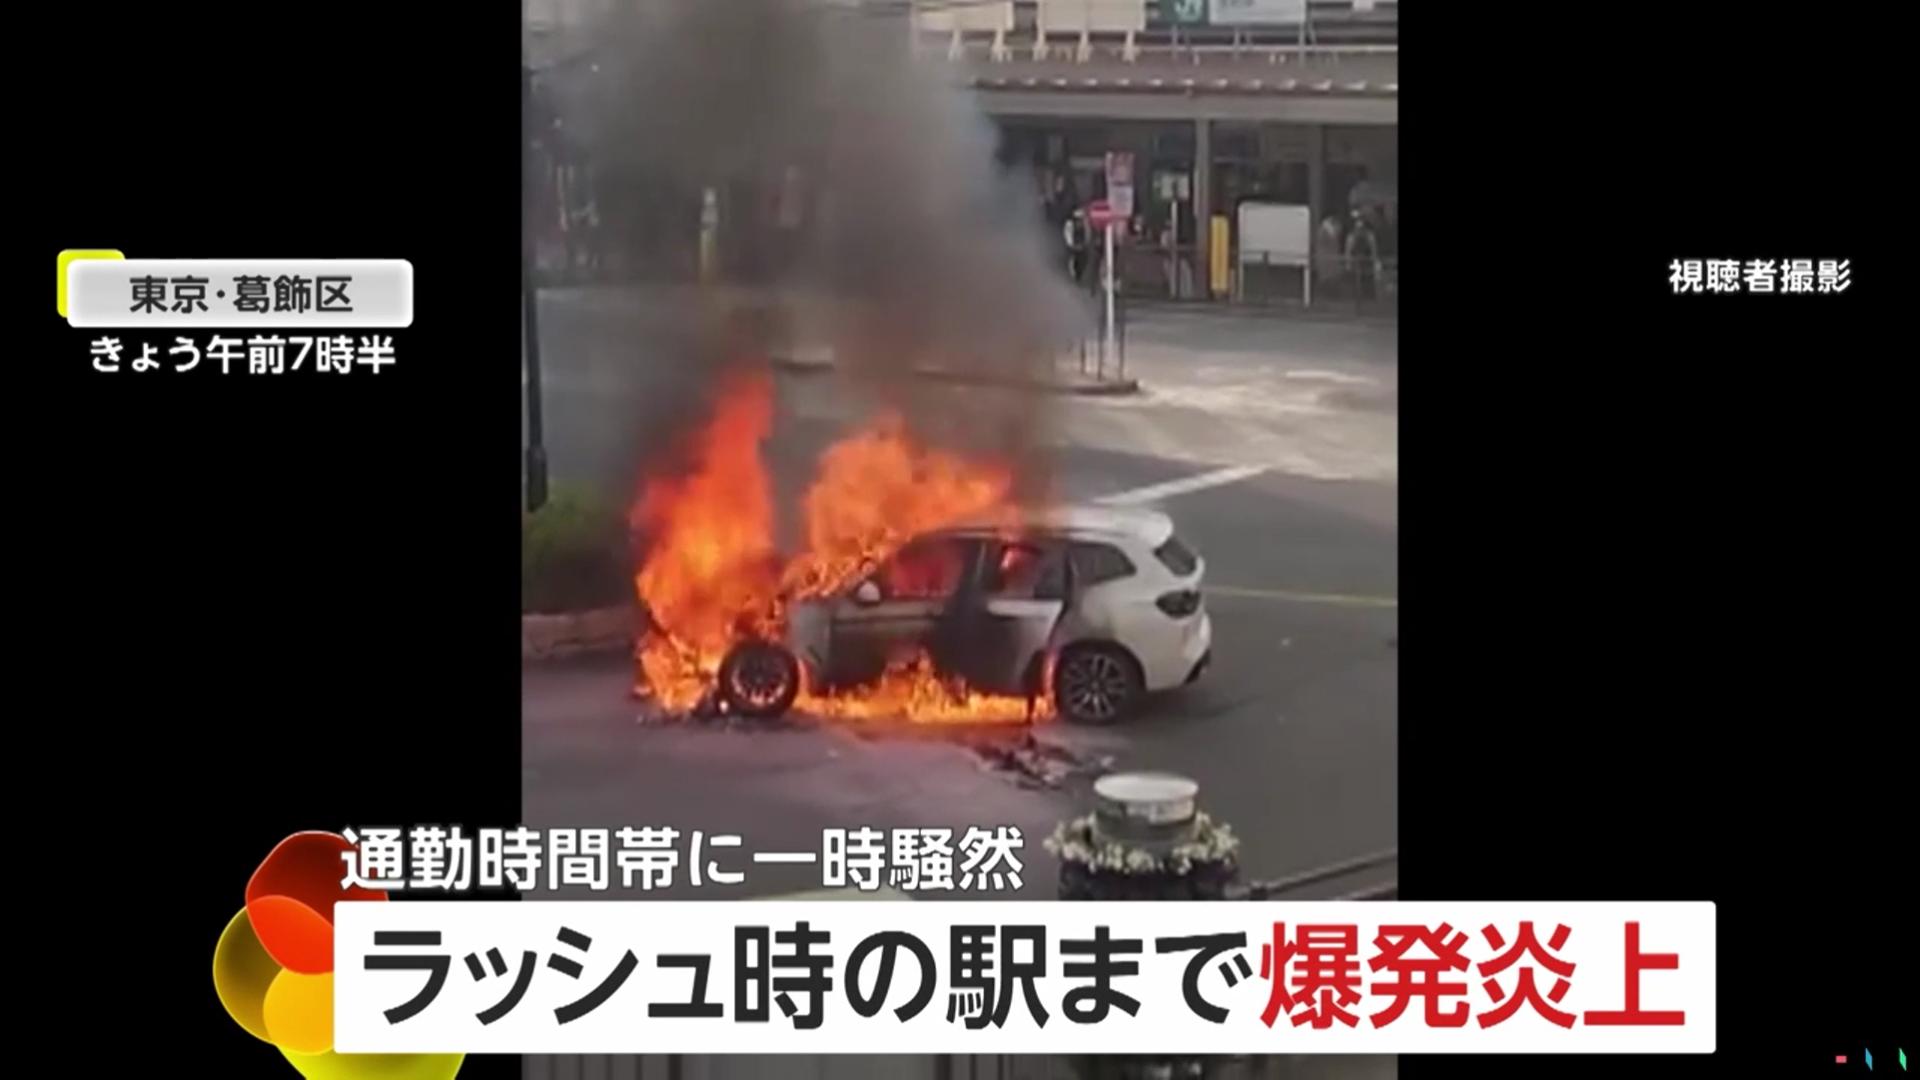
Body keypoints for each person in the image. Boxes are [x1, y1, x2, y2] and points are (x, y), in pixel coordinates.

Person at [1344, 207, 1381, 303]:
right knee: (1357, 285)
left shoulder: (1368, 235)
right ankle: (1358, 302)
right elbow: (1348, 250)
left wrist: (1375, 261)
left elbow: (1373, 250)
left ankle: (1368, 302)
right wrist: (1348, 263)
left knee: (1366, 284)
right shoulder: (1352, 236)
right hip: (1357, 264)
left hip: (1366, 264)